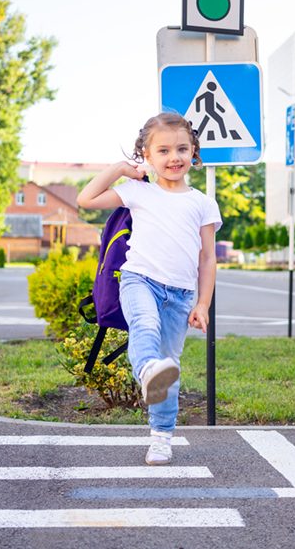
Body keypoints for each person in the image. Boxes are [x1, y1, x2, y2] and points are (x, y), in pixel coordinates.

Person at [77, 112, 221, 465]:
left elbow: (207, 260)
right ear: (147, 154)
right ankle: (146, 372)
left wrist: (202, 304)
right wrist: (120, 168)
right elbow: (87, 198)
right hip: (139, 280)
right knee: (145, 329)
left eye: (182, 149)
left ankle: (161, 438)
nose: (174, 157)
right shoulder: (137, 192)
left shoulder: (202, 202)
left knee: (169, 365)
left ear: (194, 152)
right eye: (164, 150)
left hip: (181, 295)